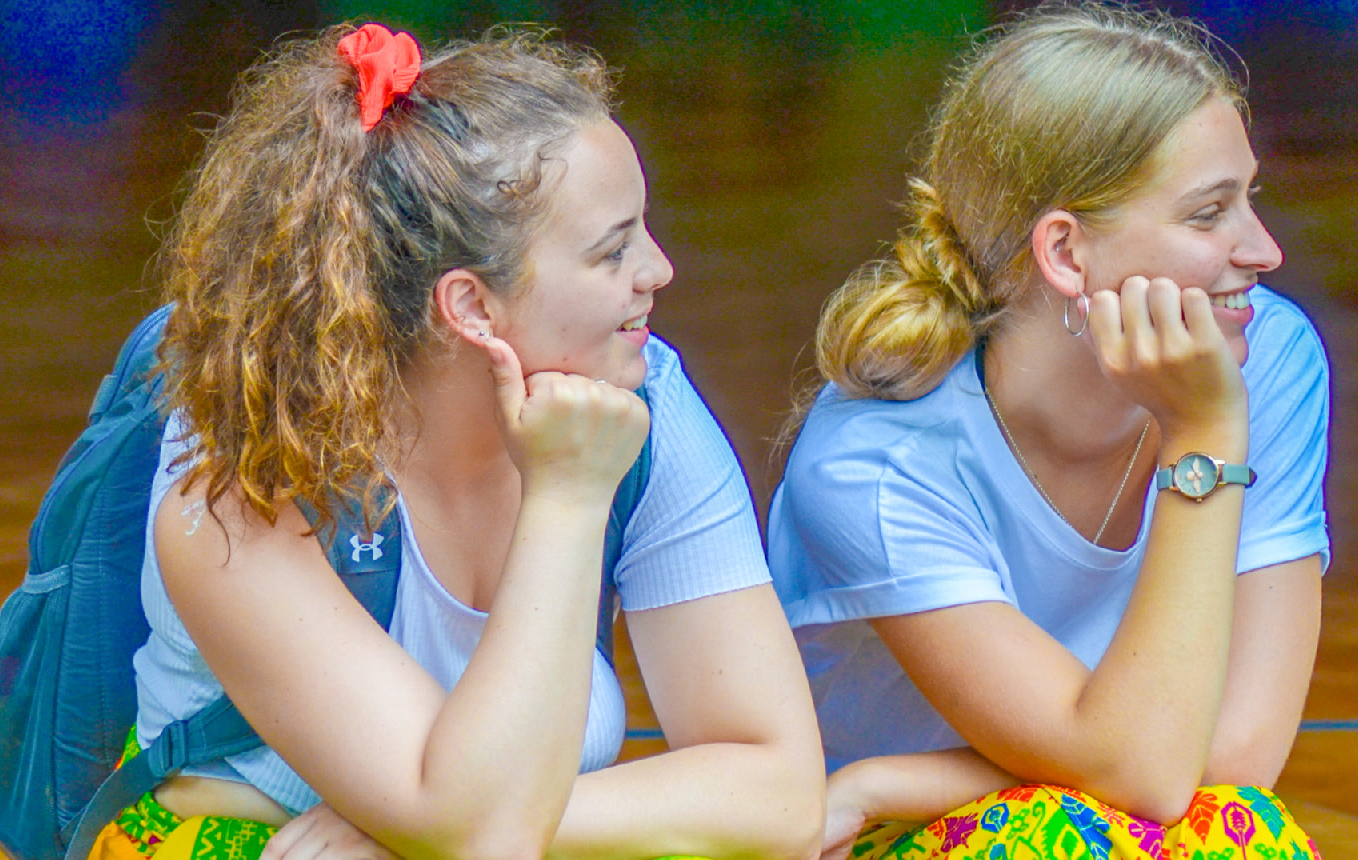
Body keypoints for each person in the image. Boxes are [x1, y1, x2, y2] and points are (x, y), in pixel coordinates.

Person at [89, 22, 825, 860]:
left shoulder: (641, 397)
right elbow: (484, 837)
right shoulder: (245, 468)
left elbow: (782, 797)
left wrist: (413, 832)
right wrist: (568, 498)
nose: (658, 271)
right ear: (471, 306)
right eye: (613, 250)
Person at [766, 4, 1329, 859]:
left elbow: (1237, 763)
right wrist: (1204, 435)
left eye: (1251, 199)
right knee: (1052, 839)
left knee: (1239, 835)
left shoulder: (1268, 356)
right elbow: (1146, 774)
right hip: (893, 842)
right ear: (1065, 253)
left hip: (1083, 806)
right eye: (1208, 213)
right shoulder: (875, 460)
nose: (1263, 251)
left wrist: (895, 779)